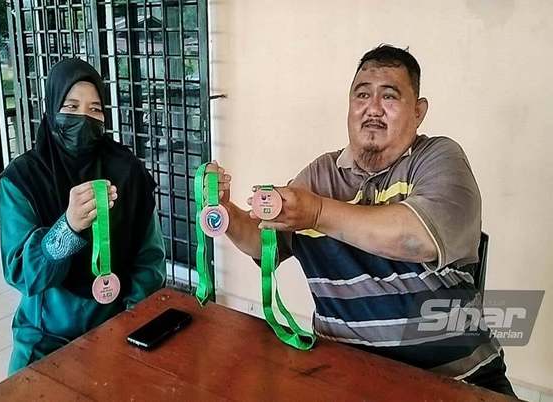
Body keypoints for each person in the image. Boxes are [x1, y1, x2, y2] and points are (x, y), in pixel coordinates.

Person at [209, 45, 515, 396]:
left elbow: (416, 238)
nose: (372, 108)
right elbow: (265, 245)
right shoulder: (321, 174)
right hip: (343, 375)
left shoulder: (440, 158)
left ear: (418, 112)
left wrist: (318, 212)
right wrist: (225, 212)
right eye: (362, 95)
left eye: (390, 96)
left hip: (457, 382)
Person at [0, 58, 166, 374]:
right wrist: (68, 227)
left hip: (116, 332)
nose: (83, 119)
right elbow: (19, 270)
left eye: (94, 110)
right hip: (45, 340)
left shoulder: (127, 173)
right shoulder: (23, 180)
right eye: (71, 107)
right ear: (51, 111)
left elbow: (150, 260)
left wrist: (128, 321)